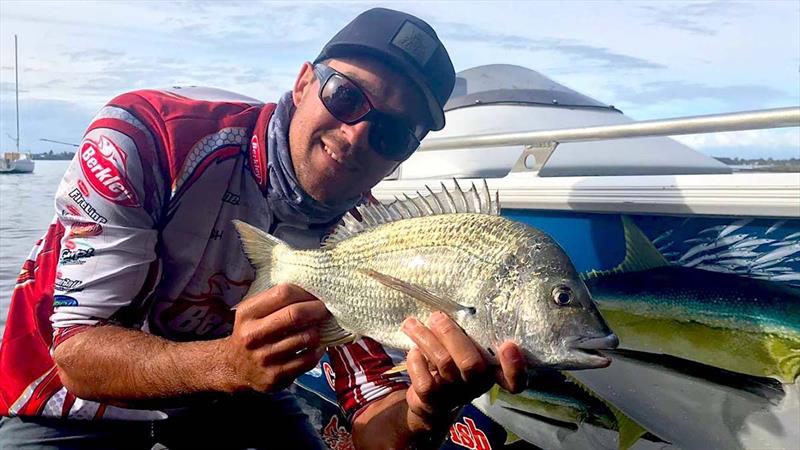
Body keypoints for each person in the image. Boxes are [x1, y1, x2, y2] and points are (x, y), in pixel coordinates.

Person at [0, 7, 526, 449]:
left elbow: (373, 416)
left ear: (402, 157)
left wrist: (426, 411)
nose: (356, 133)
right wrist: (226, 363)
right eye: (346, 96)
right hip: (63, 404)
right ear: (302, 84)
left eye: (390, 133)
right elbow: (75, 355)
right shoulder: (147, 138)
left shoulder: (364, 234)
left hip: (232, 396)